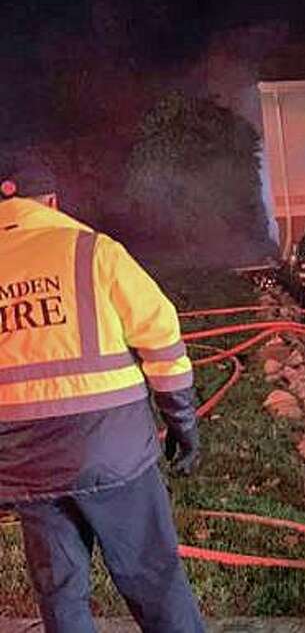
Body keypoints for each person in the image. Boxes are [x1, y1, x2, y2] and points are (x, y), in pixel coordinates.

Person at [0, 171, 205, 633]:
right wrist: (182, 424)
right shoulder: (94, 251)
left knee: (61, 593)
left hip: (29, 465)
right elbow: (162, 339)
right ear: (50, 198)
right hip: (114, 455)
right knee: (154, 579)